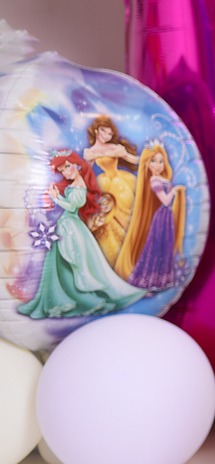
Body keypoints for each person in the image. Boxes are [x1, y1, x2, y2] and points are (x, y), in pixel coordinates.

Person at [18, 150, 145, 319]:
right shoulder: (75, 184)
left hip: (71, 227)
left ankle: (83, 298)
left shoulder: (80, 185)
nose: (66, 172)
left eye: (67, 167)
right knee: (63, 263)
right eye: (62, 170)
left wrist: (56, 198)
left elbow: (72, 207)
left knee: (75, 261)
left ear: (77, 165)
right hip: (66, 225)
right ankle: (61, 297)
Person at [115, 142, 187, 290]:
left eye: (161, 161)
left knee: (165, 247)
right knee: (156, 247)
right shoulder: (154, 181)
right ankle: (148, 280)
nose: (157, 165)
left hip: (166, 217)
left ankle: (160, 280)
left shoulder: (160, 179)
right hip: (162, 217)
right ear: (147, 164)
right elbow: (165, 201)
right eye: (153, 161)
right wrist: (175, 191)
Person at [82, 115, 139, 265]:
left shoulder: (115, 148)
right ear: (96, 130)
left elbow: (133, 159)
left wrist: (147, 158)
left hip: (120, 183)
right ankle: (114, 253)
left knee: (124, 214)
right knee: (108, 218)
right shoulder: (91, 152)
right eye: (103, 131)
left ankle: (132, 248)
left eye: (109, 134)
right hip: (104, 184)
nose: (106, 136)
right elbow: (86, 172)